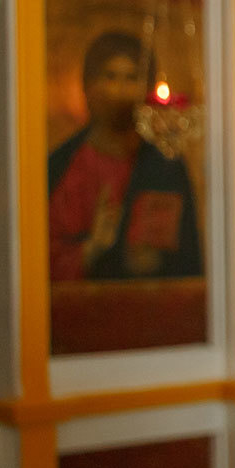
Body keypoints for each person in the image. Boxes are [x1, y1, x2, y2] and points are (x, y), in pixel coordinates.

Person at [47, 31, 203, 282]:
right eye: (110, 77)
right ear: (89, 85)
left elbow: (187, 259)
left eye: (132, 78)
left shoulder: (164, 164)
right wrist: (92, 248)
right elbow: (40, 262)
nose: (120, 90)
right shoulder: (64, 166)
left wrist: (153, 261)